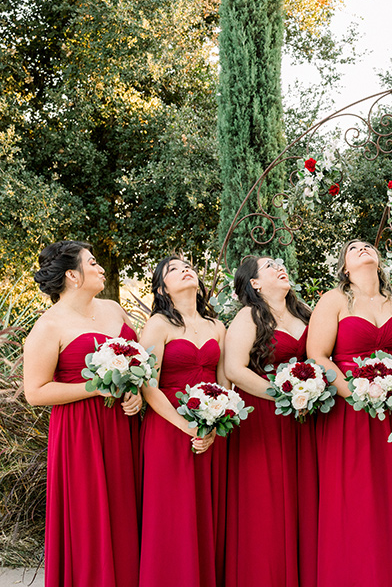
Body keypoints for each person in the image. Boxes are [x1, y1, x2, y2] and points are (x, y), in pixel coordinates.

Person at [23, 240, 143, 587]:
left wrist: (134, 392)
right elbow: (35, 392)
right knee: (91, 518)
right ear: (73, 275)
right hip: (81, 434)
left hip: (124, 426)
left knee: (126, 512)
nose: (101, 268)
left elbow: (137, 362)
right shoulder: (49, 326)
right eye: (93, 263)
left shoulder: (113, 308)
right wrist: (94, 388)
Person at [307, 240, 392, 587]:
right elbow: (318, 355)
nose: (363, 248)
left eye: (368, 245)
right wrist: (359, 394)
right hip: (349, 413)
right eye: (354, 248)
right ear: (344, 267)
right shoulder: (334, 300)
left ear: (379, 260)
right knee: (354, 498)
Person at [138, 256, 228, 587]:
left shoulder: (217, 326)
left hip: (209, 430)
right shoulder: (159, 324)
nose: (185, 269)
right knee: (172, 517)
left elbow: (224, 383)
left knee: (205, 514)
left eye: (187, 265)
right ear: (162, 288)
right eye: (173, 269)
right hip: (169, 429)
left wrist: (215, 425)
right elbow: (149, 385)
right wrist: (186, 426)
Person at [223, 256, 311, 587]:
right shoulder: (249, 316)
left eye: (280, 263)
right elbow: (234, 369)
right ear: (255, 283)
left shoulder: (303, 312)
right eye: (270, 266)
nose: (280, 267)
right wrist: (285, 396)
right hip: (264, 418)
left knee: (301, 502)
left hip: (304, 421)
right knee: (267, 506)